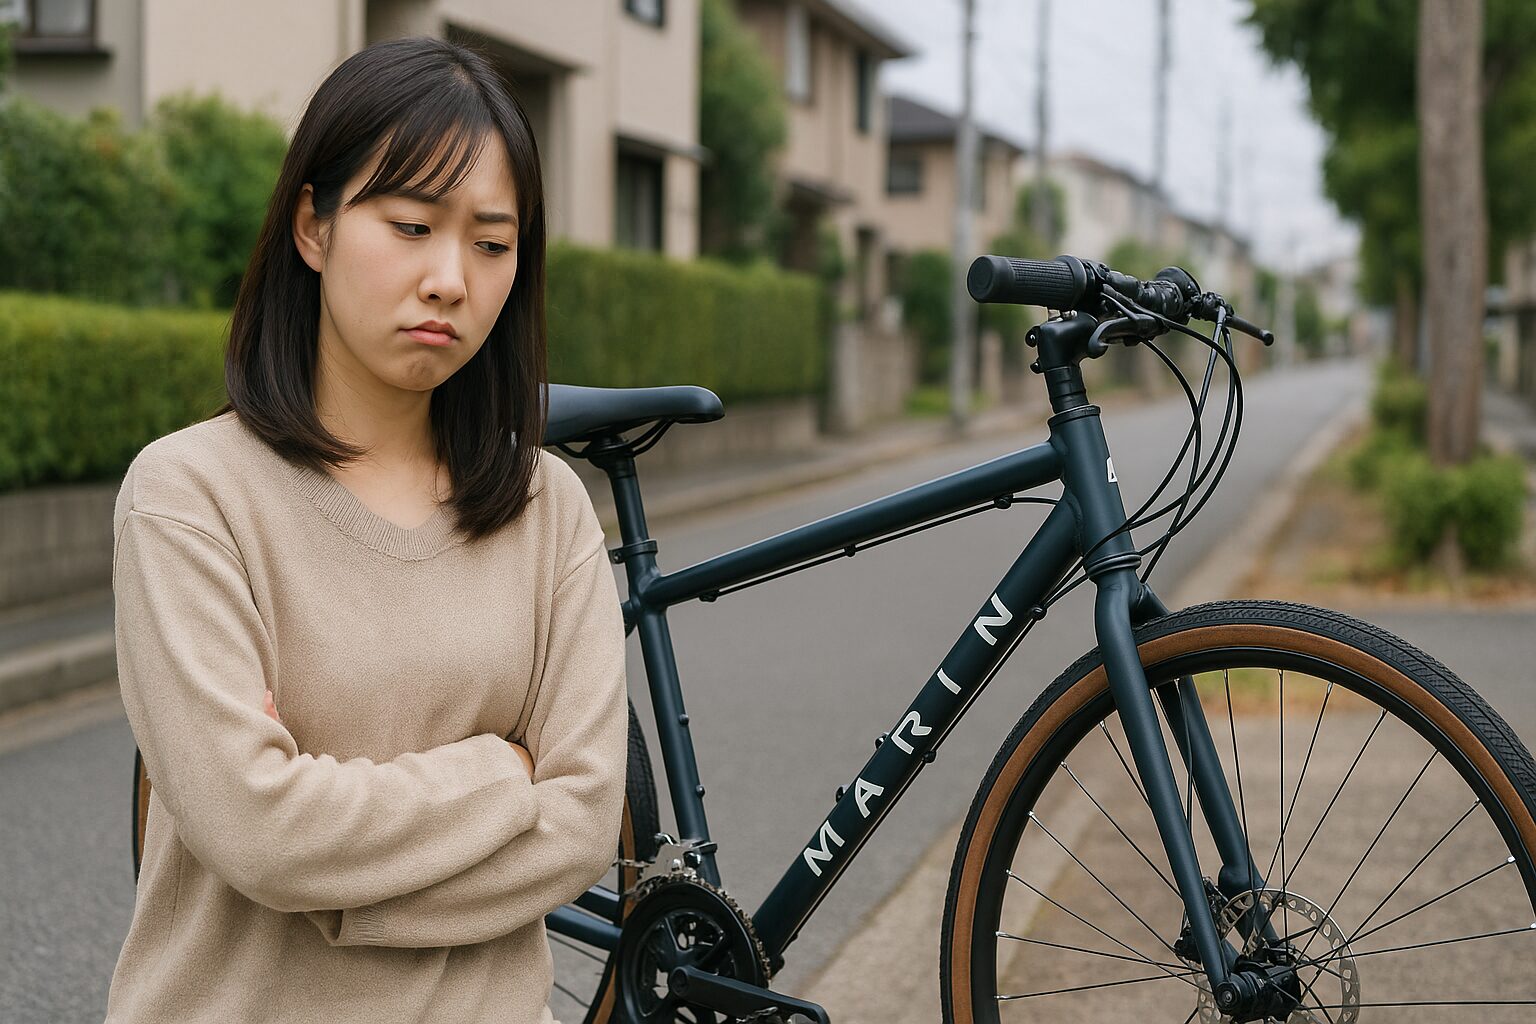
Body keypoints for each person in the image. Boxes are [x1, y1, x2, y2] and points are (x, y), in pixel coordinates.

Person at [105, 36, 628, 1023]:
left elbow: (585, 825)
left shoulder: (547, 506)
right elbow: (258, 828)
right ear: (314, 225)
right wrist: (506, 770)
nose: (450, 279)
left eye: (491, 243)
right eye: (411, 225)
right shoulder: (191, 497)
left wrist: (330, 879)